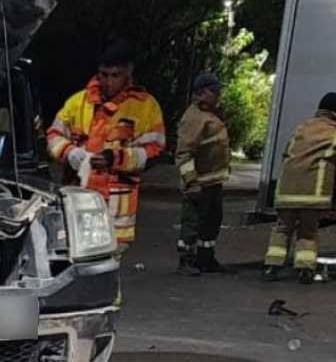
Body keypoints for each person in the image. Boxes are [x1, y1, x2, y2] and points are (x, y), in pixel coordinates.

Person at [47, 39, 166, 251]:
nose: (108, 82)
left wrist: (115, 158)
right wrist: (69, 152)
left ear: (129, 71)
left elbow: (154, 151)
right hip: (77, 200)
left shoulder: (145, 107)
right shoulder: (78, 102)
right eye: (103, 74)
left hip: (116, 213)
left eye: (115, 75)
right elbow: (54, 135)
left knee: (107, 264)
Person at [263, 92, 336, 284]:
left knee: (282, 229)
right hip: (313, 193)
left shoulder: (302, 127)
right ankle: (305, 269)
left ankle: (272, 266)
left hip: (286, 191)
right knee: (308, 232)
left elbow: (286, 153)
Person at [174, 73, 231, 275]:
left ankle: (205, 258)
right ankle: (186, 260)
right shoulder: (194, 117)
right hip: (198, 182)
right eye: (213, 91)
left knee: (211, 221)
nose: (218, 94)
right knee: (192, 222)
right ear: (200, 93)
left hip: (212, 181)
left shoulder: (210, 114)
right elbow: (184, 153)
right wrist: (191, 182)